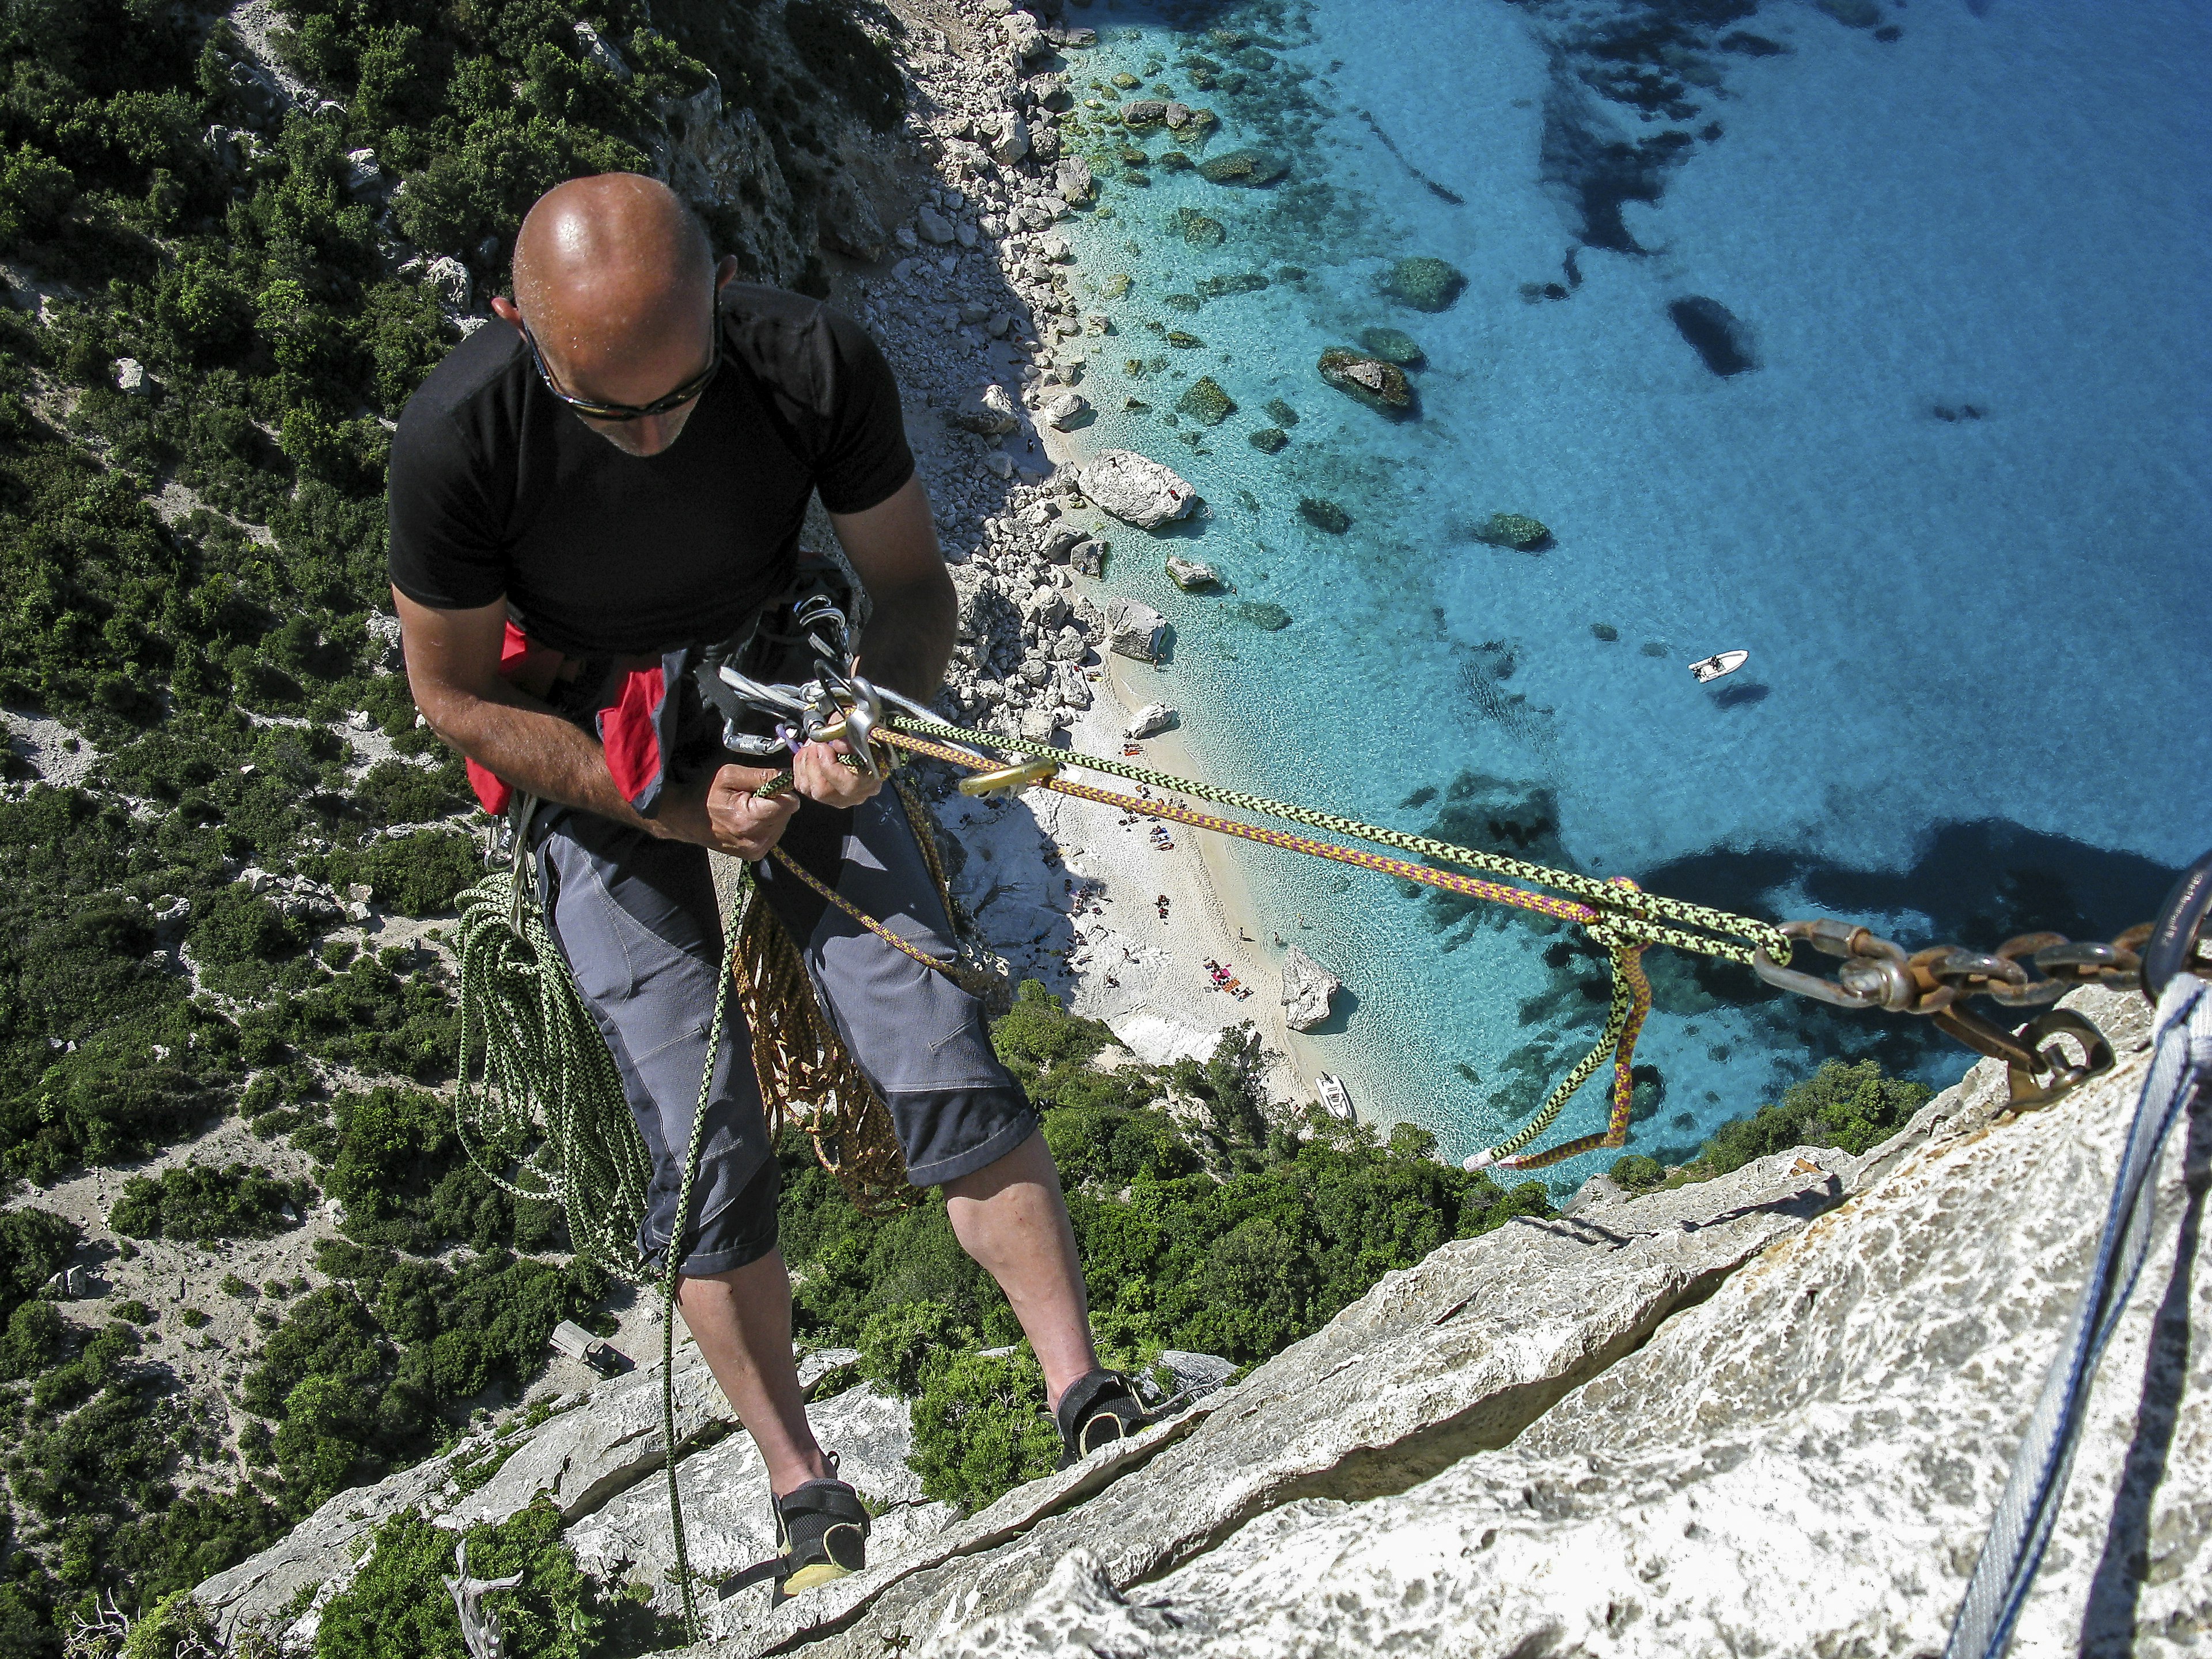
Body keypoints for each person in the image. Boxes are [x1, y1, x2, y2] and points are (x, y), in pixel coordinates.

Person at [385, 174, 1143, 1601]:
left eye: (682, 392)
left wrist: (864, 725)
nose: (659, 434)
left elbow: (912, 593)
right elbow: (451, 692)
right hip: (597, 756)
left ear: (724, 292)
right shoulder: (458, 440)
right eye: (614, 414)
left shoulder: (808, 363)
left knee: (935, 1046)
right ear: (514, 328)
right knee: (702, 1146)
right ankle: (805, 1491)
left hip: (782, 702)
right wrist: (669, 807)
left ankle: (1083, 1394)